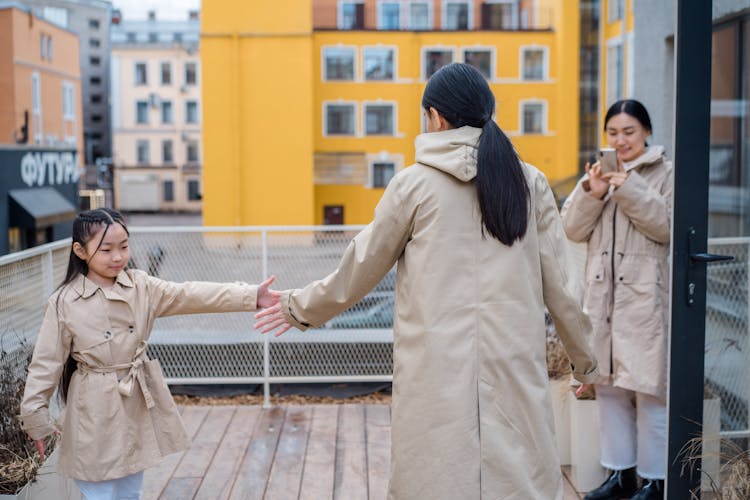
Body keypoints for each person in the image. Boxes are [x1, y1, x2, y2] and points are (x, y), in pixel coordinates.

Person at [255, 63, 599, 499]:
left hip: (434, 378)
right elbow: (564, 289)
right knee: (518, 482)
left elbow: (358, 270)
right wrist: (586, 363)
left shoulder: (413, 186)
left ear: (435, 117)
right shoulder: (529, 183)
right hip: (513, 371)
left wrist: (295, 307)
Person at [20, 208, 280, 500]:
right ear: (80, 251)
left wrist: (249, 295)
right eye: (106, 249)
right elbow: (45, 364)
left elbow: (190, 294)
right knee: (99, 489)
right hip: (93, 404)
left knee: (131, 489)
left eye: (124, 247)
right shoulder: (64, 302)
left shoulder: (141, 286)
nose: (118, 257)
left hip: (134, 399)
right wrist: (36, 419)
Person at [561, 99, 672, 500]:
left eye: (628, 132)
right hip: (602, 302)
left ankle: (656, 483)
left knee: (648, 392)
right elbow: (571, 230)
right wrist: (594, 192)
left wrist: (630, 188)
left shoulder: (665, 174)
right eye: (613, 133)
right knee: (607, 389)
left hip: (643, 302)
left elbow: (665, 227)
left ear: (646, 132)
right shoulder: (599, 173)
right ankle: (620, 477)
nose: (620, 140)